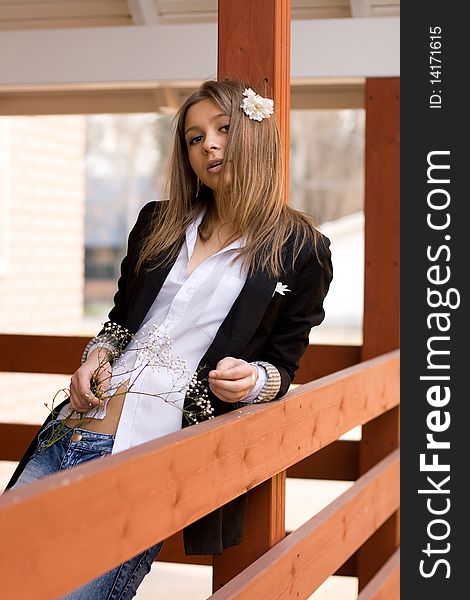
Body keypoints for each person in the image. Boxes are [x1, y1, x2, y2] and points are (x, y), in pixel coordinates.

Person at [5, 79, 333, 598]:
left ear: (254, 136)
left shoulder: (302, 250)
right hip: (71, 429)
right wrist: (96, 356)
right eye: (194, 137)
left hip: (149, 458)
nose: (208, 145)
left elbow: (282, 368)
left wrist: (254, 381)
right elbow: (120, 321)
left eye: (223, 129)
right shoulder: (158, 222)